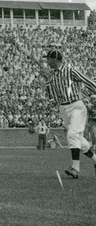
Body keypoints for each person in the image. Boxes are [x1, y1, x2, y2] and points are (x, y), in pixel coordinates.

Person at [40, 49, 96, 180]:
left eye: (48, 59)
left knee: (72, 134)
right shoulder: (53, 75)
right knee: (78, 139)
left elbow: (87, 81)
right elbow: (52, 97)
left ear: (54, 59)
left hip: (76, 105)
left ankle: (75, 168)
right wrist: (47, 85)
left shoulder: (70, 70)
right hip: (64, 108)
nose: (46, 62)